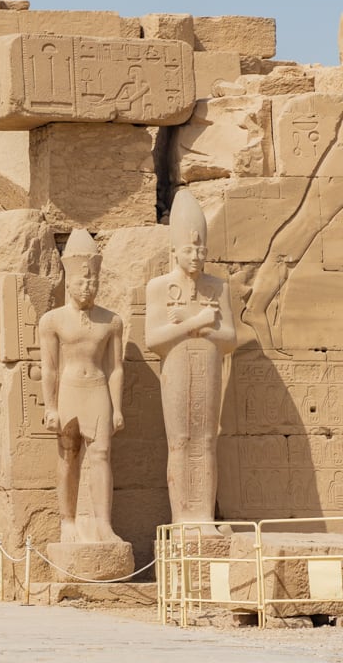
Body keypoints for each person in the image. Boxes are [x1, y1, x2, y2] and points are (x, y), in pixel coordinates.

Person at [146, 190, 237, 529]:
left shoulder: (219, 287)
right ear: (174, 253)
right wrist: (198, 323)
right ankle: (183, 516)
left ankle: (203, 515)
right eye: (189, 250)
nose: (196, 256)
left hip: (209, 366)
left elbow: (229, 338)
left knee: (207, 440)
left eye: (201, 250)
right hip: (177, 370)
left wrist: (190, 326)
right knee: (181, 441)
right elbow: (154, 339)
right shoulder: (159, 288)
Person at [39, 229, 125, 544]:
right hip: (70, 390)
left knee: (101, 454)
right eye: (81, 281)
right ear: (69, 282)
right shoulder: (52, 321)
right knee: (68, 454)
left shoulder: (112, 321)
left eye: (93, 282)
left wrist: (117, 408)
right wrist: (49, 407)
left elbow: (115, 368)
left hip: (98, 389)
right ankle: (68, 521)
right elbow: (49, 368)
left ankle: (104, 523)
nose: (88, 287)